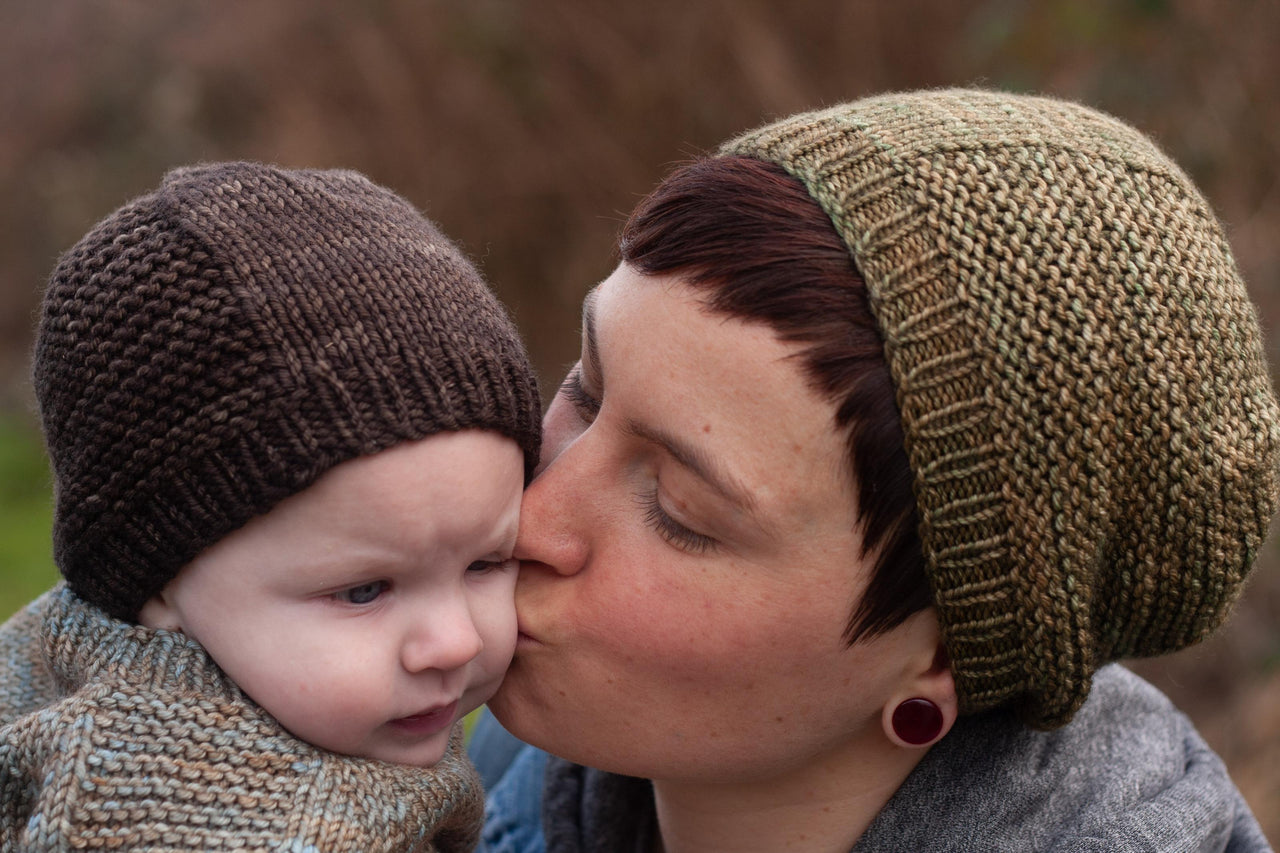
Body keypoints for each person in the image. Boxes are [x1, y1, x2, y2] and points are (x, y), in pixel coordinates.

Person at [473, 89, 1279, 851]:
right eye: (586, 390)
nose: (527, 516)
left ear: (938, 660)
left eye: (678, 509)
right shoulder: (477, 771)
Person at [0, 162, 542, 852]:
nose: (456, 641)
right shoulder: (198, 819)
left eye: (486, 563)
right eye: (364, 590)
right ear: (158, 584)